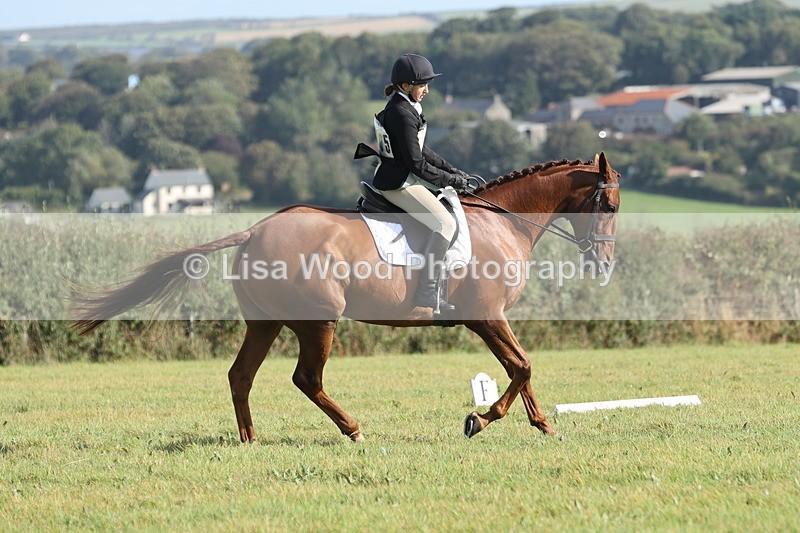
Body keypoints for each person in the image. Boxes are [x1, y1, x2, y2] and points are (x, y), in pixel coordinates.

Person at [371, 53, 470, 313]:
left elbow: (422, 150)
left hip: (405, 175)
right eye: (422, 85)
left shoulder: (405, 106)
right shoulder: (402, 113)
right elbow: (417, 164)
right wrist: (450, 180)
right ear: (406, 86)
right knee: (445, 223)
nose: (426, 90)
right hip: (399, 183)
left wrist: (452, 170)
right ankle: (427, 291)